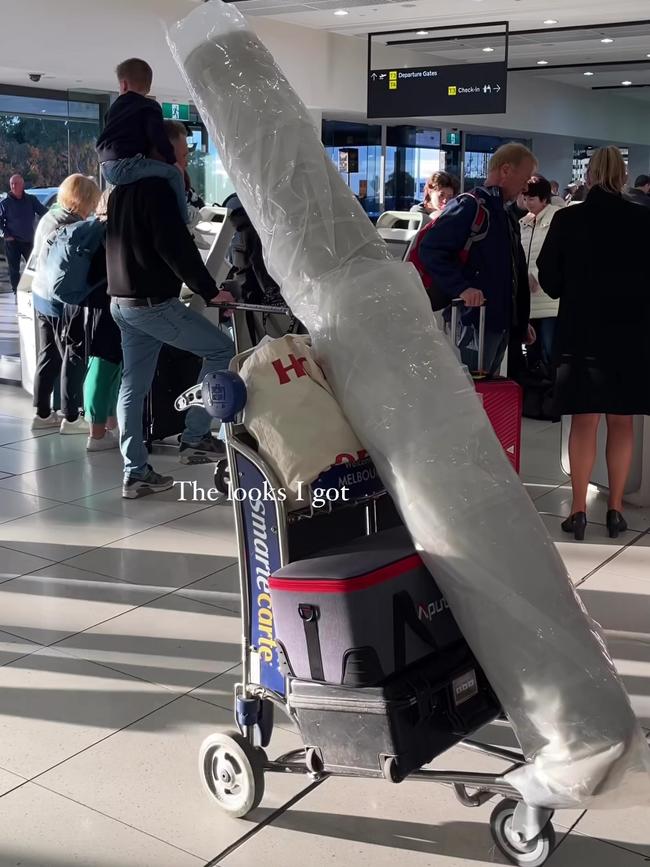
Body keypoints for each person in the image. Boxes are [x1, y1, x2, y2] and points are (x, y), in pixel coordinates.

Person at [538, 146, 650, 541]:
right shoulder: (644, 218)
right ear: (623, 176)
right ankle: (616, 509)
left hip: (580, 336)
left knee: (584, 422)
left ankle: (580, 511)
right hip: (632, 336)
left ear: (587, 177)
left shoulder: (568, 219)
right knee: (622, 423)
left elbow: (549, 279)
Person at [107, 175, 235, 498]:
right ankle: (195, 437)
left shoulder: (120, 190)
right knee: (222, 349)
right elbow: (175, 248)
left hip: (123, 302)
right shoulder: (158, 188)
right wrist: (210, 291)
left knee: (132, 387)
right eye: (180, 155)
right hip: (154, 305)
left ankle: (134, 472)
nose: (183, 162)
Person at [417, 143, 537, 376]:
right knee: (473, 391)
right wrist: (462, 288)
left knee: (487, 394)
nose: (525, 187)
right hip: (474, 324)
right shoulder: (472, 206)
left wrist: (520, 322)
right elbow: (430, 248)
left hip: (495, 322)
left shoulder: (503, 213)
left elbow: (514, 272)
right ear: (505, 170)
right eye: (525, 178)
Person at [30, 174, 102, 433]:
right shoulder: (73, 226)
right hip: (61, 300)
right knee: (73, 355)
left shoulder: (50, 216)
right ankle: (71, 418)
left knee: (48, 354)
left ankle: (41, 413)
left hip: (39, 294)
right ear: (84, 199)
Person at [96, 58, 188, 223]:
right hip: (127, 165)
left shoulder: (113, 108)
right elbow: (157, 135)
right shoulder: (149, 107)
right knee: (174, 174)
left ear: (123, 85)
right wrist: (172, 161)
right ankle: (185, 220)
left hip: (105, 167)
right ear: (148, 86)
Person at [519, 176, 561, 365]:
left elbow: (555, 256)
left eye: (532, 199)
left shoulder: (558, 219)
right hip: (528, 298)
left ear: (544, 199)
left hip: (549, 298)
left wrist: (535, 276)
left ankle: (553, 387)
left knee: (551, 346)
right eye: (525, 198)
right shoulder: (523, 223)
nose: (528, 203)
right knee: (532, 347)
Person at [0, 174, 48, 298]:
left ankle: (32, 290)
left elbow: (44, 212)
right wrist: (5, 234)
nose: (14, 186)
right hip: (13, 242)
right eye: (12, 184)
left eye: (16, 183)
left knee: (32, 268)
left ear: (22, 185)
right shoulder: (5, 203)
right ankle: (16, 292)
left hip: (29, 240)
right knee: (14, 270)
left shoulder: (31, 200)